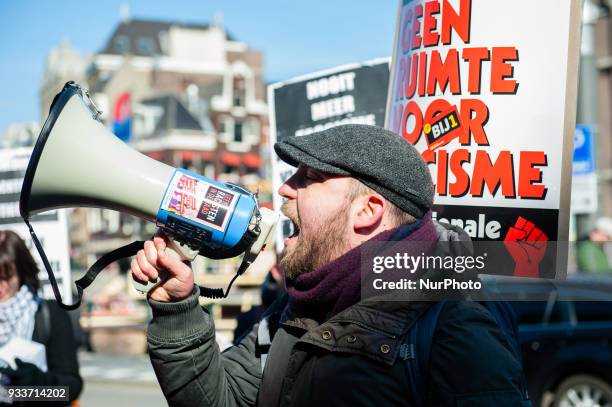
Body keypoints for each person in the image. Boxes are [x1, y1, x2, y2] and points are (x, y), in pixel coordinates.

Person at [132, 124, 530, 406]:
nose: (286, 188)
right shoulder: (295, 311)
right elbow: (225, 399)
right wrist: (178, 309)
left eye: (310, 177)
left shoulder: (456, 321)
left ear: (367, 210)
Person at [0, 230, 82, 406]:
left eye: (6, 277)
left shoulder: (49, 314)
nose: (1, 286)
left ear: (21, 272)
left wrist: (35, 386)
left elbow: (72, 388)